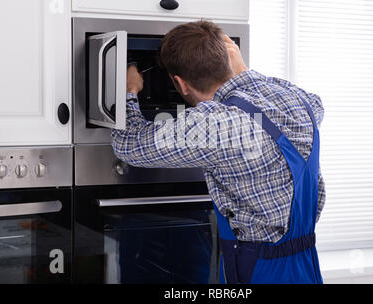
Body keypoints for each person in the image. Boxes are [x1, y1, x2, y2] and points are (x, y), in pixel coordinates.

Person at [111, 20, 325, 284]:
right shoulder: (301, 102)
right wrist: (243, 71)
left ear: (181, 84)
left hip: (257, 268)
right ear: (229, 56)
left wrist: (129, 90)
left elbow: (129, 144)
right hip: (306, 263)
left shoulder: (215, 124)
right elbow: (314, 103)